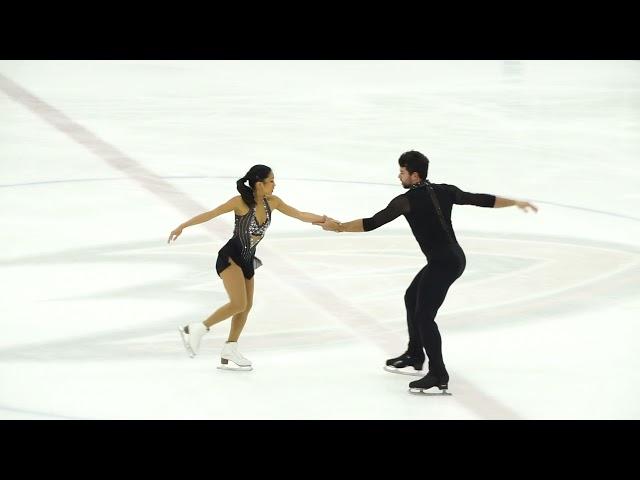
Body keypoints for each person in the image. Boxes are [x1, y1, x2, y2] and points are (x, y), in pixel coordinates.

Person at [314, 151, 538, 393]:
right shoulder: (445, 190)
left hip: (444, 264)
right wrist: (515, 201)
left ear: (414, 174)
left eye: (402, 172)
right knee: (412, 297)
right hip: (451, 259)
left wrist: (339, 228)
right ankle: (415, 354)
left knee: (424, 316)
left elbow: (372, 222)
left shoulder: (405, 201)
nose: (399, 176)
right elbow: (481, 199)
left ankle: (438, 373)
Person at [168, 165, 327, 370]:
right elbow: (211, 214)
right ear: (259, 184)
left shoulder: (274, 202)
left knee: (246, 306)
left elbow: (299, 214)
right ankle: (197, 328)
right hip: (230, 257)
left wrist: (323, 220)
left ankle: (230, 348)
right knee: (238, 304)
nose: (275, 184)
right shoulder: (240, 203)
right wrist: (182, 226)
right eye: (271, 180)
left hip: (247, 260)